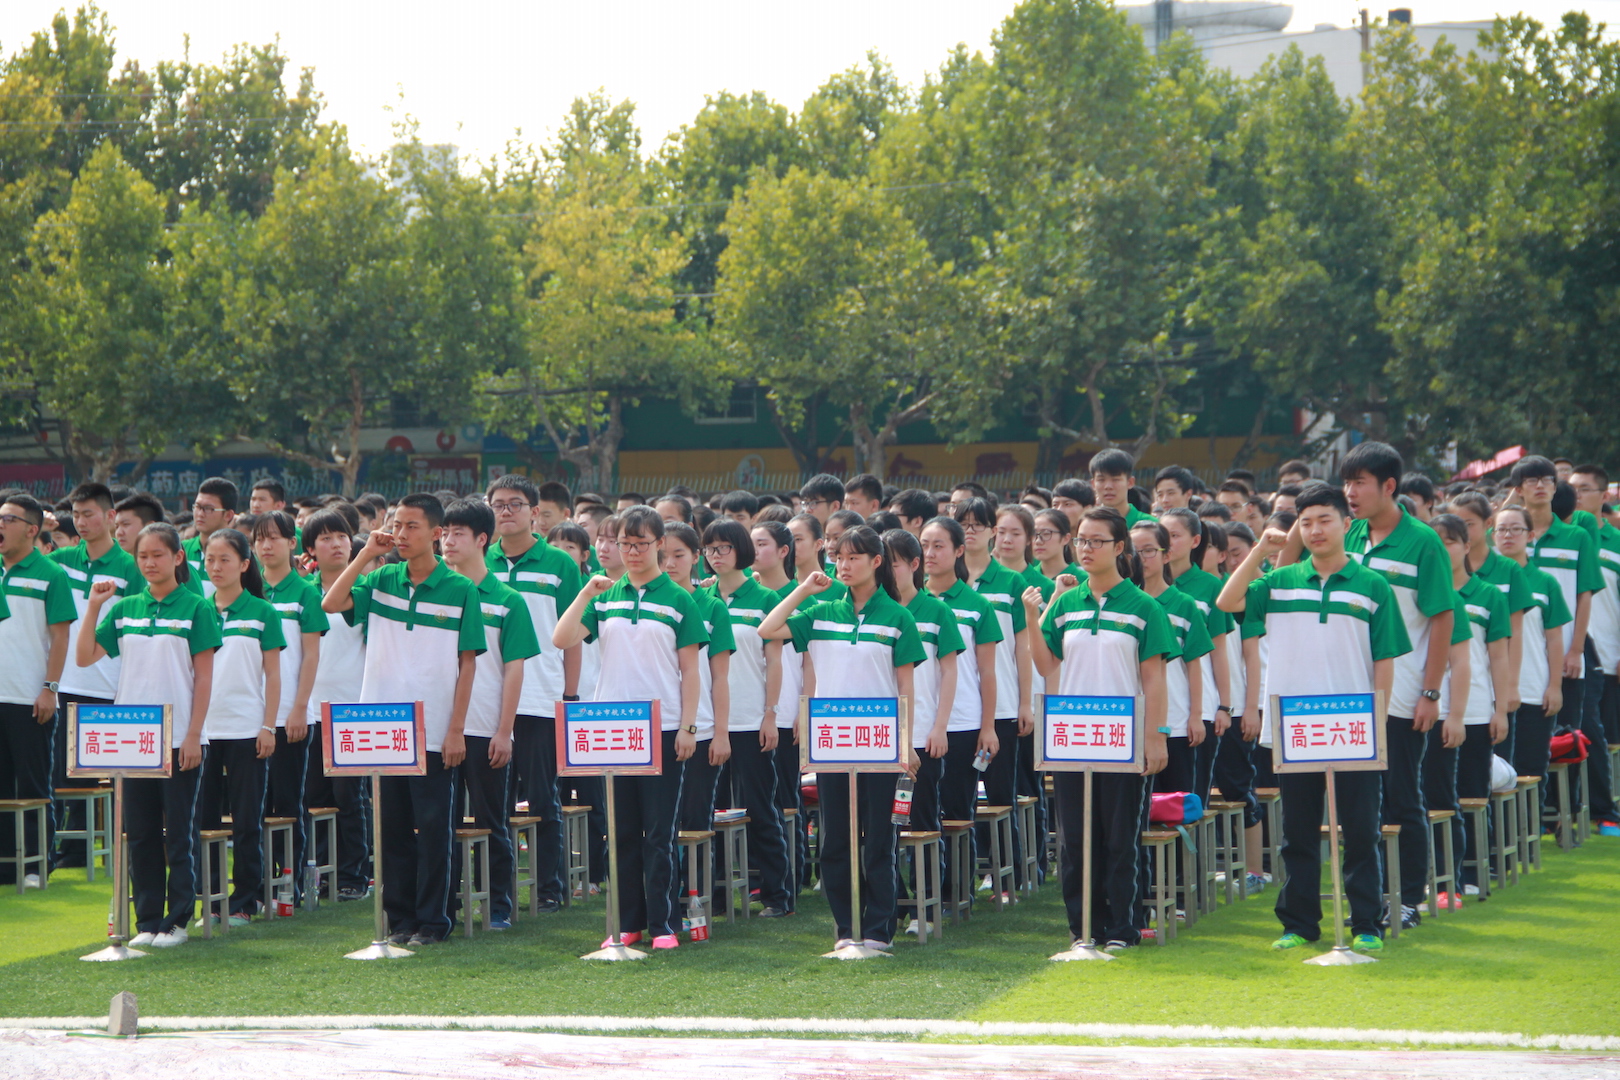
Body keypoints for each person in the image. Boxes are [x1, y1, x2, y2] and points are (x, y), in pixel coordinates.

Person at [1217, 483, 1409, 952]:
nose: (1316, 529)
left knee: (1361, 829)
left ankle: (1366, 924)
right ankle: (1299, 924)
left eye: (1325, 520)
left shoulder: (1372, 585)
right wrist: (1262, 548)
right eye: (1306, 522)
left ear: (1347, 524)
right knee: (1298, 832)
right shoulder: (1279, 583)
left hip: (1353, 724)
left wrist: (1378, 718)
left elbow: (1385, 658)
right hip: (1294, 726)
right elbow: (1228, 601)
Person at [322, 493, 484, 946]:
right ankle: (400, 919)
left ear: (436, 534)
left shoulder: (461, 589)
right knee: (390, 829)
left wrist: (456, 729)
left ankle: (434, 921)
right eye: (397, 524)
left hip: (433, 731)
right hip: (383, 727)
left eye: (412, 526)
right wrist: (365, 554)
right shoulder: (381, 578)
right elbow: (332, 604)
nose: (401, 533)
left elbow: (467, 663)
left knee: (433, 828)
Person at [760, 525, 922, 952]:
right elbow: (768, 629)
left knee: (879, 840)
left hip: (881, 743)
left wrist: (906, 744)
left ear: (876, 562)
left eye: (853, 557)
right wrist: (803, 590)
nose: (844, 565)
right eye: (838, 557)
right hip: (832, 742)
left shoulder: (898, 616)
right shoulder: (821, 612)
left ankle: (877, 929)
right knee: (835, 840)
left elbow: (905, 687)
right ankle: (846, 927)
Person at [553, 507, 703, 948]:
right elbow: (562, 639)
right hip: (612, 727)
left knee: (659, 832)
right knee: (620, 831)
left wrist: (689, 727)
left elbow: (691, 671)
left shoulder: (679, 599)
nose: (632, 552)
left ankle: (663, 922)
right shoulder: (604, 596)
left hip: (662, 726)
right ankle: (628, 921)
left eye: (640, 543)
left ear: (659, 544)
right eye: (624, 544)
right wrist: (586, 593)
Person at [1024, 508, 1170, 952]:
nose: (1085, 549)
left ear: (1119, 548)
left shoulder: (1144, 607)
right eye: (1081, 541)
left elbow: (1154, 678)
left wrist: (1155, 735)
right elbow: (1047, 664)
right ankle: (1082, 928)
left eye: (1096, 541)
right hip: (1072, 738)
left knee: (1119, 837)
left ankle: (1121, 928)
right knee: (1074, 839)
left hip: (1121, 739)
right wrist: (1034, 617)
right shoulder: (1065, 604)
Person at [79, 523, 220, 946]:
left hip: (180, 739)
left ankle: (178, 920)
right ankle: (147, 921)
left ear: (178, 558)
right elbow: (85, 657)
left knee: (179, 831)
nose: (150, 563)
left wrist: (194, 734)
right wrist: (93, 607)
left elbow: (205, 678)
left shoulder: (197, 607)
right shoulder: (124, 609)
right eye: (143, 556)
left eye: (159, 555)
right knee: (139, 832)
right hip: (132, 738)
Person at [1338, 441, 1455, 931]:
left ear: (1389, 486)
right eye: (1346, 482)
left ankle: (1408, 897)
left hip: (1404, 694)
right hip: (1348, 690)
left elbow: (1443, 618)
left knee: (1403, 796)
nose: (1349, 492)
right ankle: (1368, 898)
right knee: (1359, 804)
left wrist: (1430, 693)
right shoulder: (1348, 535)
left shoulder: (1423, 541)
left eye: (1359, 482)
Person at [484, 475, 583, 914]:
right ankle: (498, 887)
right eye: (499, 504)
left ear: (534, 511)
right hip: (488, 697)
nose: (507, 511)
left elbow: (573, 635)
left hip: (543, 696)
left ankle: (548, 887)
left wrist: (571, 695)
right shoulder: (479, 559)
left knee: (544, 798)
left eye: (516, 504)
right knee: (494, 800)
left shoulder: (559, 563)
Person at [441, 498, 539, 931]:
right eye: (444, 532)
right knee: (437, 823)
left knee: (492, 821)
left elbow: (514, 669)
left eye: (458, 533)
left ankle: (498, 905)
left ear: (483, 540)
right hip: (437, 730)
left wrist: (505, 731)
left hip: (484, 728)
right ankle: (445, 905)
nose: (447, 541)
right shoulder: (434, 591)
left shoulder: (507, 600)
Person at [1514, 456, 1615, 829]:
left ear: (1555, 488)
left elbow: (1585, 595)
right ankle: (1537, 815)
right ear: (1519, 488)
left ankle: (1586, 812)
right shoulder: (1508, 535)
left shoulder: (1576, 537)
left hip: (1569, 648)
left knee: (1576, 731)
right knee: (1526, 736)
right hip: (1521, 654)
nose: (1540, 486)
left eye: (1546, 480)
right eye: (1531, 480)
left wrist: (1575, 649)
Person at [47, 482, 139, 871]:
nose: (81, 522)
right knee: (62, 776)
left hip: (110, 686)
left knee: (108, 779)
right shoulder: (61, 560)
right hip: (63, 684)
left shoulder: (131, 567)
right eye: (76, 515)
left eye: (89, 514)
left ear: (110, 516)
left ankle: (104, 850)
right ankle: (66, 851)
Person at [704, 518, 793, 917]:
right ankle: (718, 895)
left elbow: (775, 664)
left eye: (723, 548)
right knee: (712, 810)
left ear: (741, 551)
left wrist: (770, 715)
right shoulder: (700, 600)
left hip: (751, 721)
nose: (715, 556)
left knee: (761, 808)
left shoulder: (763, 598)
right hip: (708, 723)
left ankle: (777, 895)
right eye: (709, 549)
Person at [198, 527, 283, 925]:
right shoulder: (198, 608)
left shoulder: (262, 612)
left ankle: (246, 900)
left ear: (244, 565)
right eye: (210, 559)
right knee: (204, 819)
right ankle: (211, 900)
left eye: (225, 560)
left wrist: (269, 725)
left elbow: (273, 675)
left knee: (248, 821)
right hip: (203, 731)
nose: (216, 567)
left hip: (248, 729)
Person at [883, 528, 962, 934]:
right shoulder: (877, 609)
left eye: (893, 562)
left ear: (914, 565)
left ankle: (928, 906)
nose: (886, 569)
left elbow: (949, 671)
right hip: (881, 741)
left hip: (923, 738)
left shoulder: (936, 611)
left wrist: (939, 727)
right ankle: (892, 904)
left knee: (924, 823)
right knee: (886, 827)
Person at [1431, 513, 1513, 899]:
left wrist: (1500, 709)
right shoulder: (1421, 593)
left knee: (1470, 792)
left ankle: (1471, 872)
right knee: (1434, 795)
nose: (1443, 549)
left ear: (1467, 546)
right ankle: (1437, 874)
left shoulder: (1488, 594)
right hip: (1428, 709)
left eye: (1450, 541)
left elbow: (1498, 656)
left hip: (1476, 710)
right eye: (1436, 542)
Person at [921, 516, 1000, 912]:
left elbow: (987, 671)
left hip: (964, 723)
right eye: (925, 545)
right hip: (918, 725)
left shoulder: (976, 605)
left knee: (957, 810)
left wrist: (988, 726)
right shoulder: (908, 601)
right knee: (917, 812)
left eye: (938, 546)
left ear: (957, 551)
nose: (930, 554)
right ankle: (924, 891)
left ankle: (957, 893)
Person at [955, 497, 1032, 894]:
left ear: (992, 531)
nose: (971, 530)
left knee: (1001, 794)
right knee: (962, 799)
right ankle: (971, 873)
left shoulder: (1011, 582)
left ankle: (1010, 874)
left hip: (999, 707)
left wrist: (1024, 702)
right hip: (954, 709)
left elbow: (1022, 648)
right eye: (963, 524)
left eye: (979, 524)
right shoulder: (941, 582)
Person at [662, 522, 735, 926]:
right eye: (664, 555)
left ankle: (696, 906)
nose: (670, 563)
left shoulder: (711, 607)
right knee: (660, 826)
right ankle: (664, 906)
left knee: (695, 822)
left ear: (696, 557)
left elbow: (719, 677)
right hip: (655, 730)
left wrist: (719, 733)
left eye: (679, 555)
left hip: (701, 731)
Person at [0, 492, 75, 886]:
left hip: (30, 696)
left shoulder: (51, 573)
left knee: (33, 784)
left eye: (9, 519)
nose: (1, 525)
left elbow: (60, 637)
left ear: (32, 529)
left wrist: (50, 687)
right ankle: (5, 865)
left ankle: (36, 863)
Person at [299, 508, 372, 901]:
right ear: (311, 549)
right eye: (325, 538)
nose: (336, 544)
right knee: (314, 798)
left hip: (353, 710)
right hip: (309, 709)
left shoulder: (366, 591)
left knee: (351, 798)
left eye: (342, 536)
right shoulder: (302, 591)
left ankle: (353, 877)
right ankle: (318, 874)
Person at [252, 511, 325, 899]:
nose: (266, 546)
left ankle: (290, 885)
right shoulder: (247, 590)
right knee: (255, 806)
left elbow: (310, 656)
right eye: (260, 539)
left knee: (289, 802)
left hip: (292, 715)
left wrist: (300, 708)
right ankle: (261, 881)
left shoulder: (306, 592)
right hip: (252, 717)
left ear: (292, 543)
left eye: (274, 538)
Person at [1493, 505, 1569, 821]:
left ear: (1531, 535)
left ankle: (1529, 835)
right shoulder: (1482, 579)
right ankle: (1498, 839)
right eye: (1501, 529)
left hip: (1534, 688)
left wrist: (1554, 685)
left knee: (1532, 766)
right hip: (1493, 694)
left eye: (1516, 529)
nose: (1508, 535)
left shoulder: (1545, 582)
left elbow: (1553, 639)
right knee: (1498, 771)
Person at [1422, 515, 1481, 907]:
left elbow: (1461, 663)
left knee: (1442, 799)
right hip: (1392, 712)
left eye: (1449, 541)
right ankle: (1409, 885)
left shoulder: (1452, 599)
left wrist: (1455, 715)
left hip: (1437, 714)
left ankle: (1450, 884)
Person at [1133, 519, 1211, 797]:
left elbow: (1193, 665)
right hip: (1131, 723)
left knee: (1177, 806)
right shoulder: (1126, 603)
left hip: (1176, 721)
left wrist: (1196, 716)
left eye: (1149, 550)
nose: (1141, 558)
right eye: (1134, 550)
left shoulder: (1184, 604)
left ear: (1166, 555)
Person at [753, 519, 810, 895]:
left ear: (783, 551)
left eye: (761, 544)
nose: (754, 551)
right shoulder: (746, 594)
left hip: (788, 711)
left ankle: (797, 873)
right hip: (750, 713)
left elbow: (810, 663)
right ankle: (760, 877)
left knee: (787, 800)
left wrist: (804, 711)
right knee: (756, 802)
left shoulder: (804, 597)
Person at [1567, 464, 1620, 834]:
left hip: (1609, 654)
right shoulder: (1561, 539)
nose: (1576, 495)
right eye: (1571, 489)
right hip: (1571, 652)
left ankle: (1603, 808)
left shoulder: (1615, 543)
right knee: (1574, 730)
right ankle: (1572, 808)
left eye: (1584, 489)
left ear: (1604, 497)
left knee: (1599, 734)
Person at [181, 477, 240, 597]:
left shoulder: (241, 555)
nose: (200, 514)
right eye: (197, 507)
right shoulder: (180, 551)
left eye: (208, 509)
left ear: (228, 515)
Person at [1089, 450, 1152, 527]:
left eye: (1115, 479)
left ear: (1130, 482)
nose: (1108, 486)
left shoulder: (1150, 524)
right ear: (1093, 484)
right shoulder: (1087, 525)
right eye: (1101, 480)